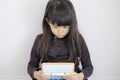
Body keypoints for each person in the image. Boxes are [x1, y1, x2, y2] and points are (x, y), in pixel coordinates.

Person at [27, 0, 93, 80]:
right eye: (55, 27)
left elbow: (89, 67)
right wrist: (36, 74)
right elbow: (31, 65)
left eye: (65, 27)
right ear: (48, 22)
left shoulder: (77, 39)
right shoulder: (40, 39)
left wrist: (79, 77)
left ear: (71, 23)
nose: (60, 32)